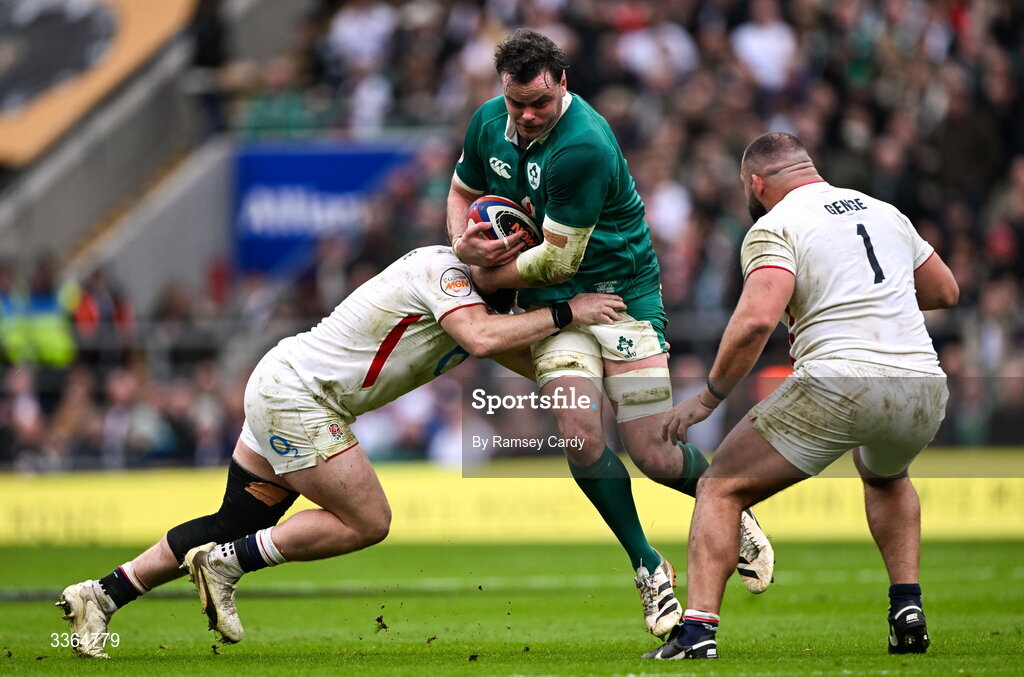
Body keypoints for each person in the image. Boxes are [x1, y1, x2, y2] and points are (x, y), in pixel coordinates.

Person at [55, 245, 628, 658]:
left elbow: (522, 357)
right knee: (369, 520)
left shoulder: (487, 311)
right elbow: (481, 339)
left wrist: (602, 372)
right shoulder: (445, 273)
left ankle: (99, 596)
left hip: (287, 384)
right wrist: (568, 312)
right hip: (300, 398)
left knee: (234, 521)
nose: (498, 259)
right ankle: (227, 563)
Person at [445, 28, 774, 638]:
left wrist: (481, 273)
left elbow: (558, 260)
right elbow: (464, 189)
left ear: (563, 83)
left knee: (652, 453)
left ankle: (726, 501)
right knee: (577, 431)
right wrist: (462, 243)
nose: (527, 115)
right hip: (553, 307)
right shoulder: (488, 121)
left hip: (622, 298)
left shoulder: (584, 145)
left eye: (540, 102)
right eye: (517, 102)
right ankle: (648, 566)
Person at [646, 132, 959, 660]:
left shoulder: (775, 224)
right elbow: (945, 290)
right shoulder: (884, 211)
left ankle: (697, 633)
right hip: (923, 386)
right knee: (887, 477)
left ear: (756, 184)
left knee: (719, 488)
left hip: (840, 380)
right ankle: (907, 607)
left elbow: (756, 321)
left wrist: (708, 398)